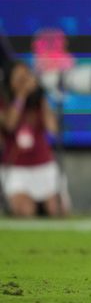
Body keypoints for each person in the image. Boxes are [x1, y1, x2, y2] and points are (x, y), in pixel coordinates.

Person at [0, 61, 62, 217]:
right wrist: (21, 95)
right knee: (26, 211)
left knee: (57, 210)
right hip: (17, 168)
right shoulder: (4, 102)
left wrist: (41, 97)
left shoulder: (39, 103)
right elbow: (9, 124)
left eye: (26, 77)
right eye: (18, 78)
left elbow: (53, 129)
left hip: (43, 165)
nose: (23, 82)